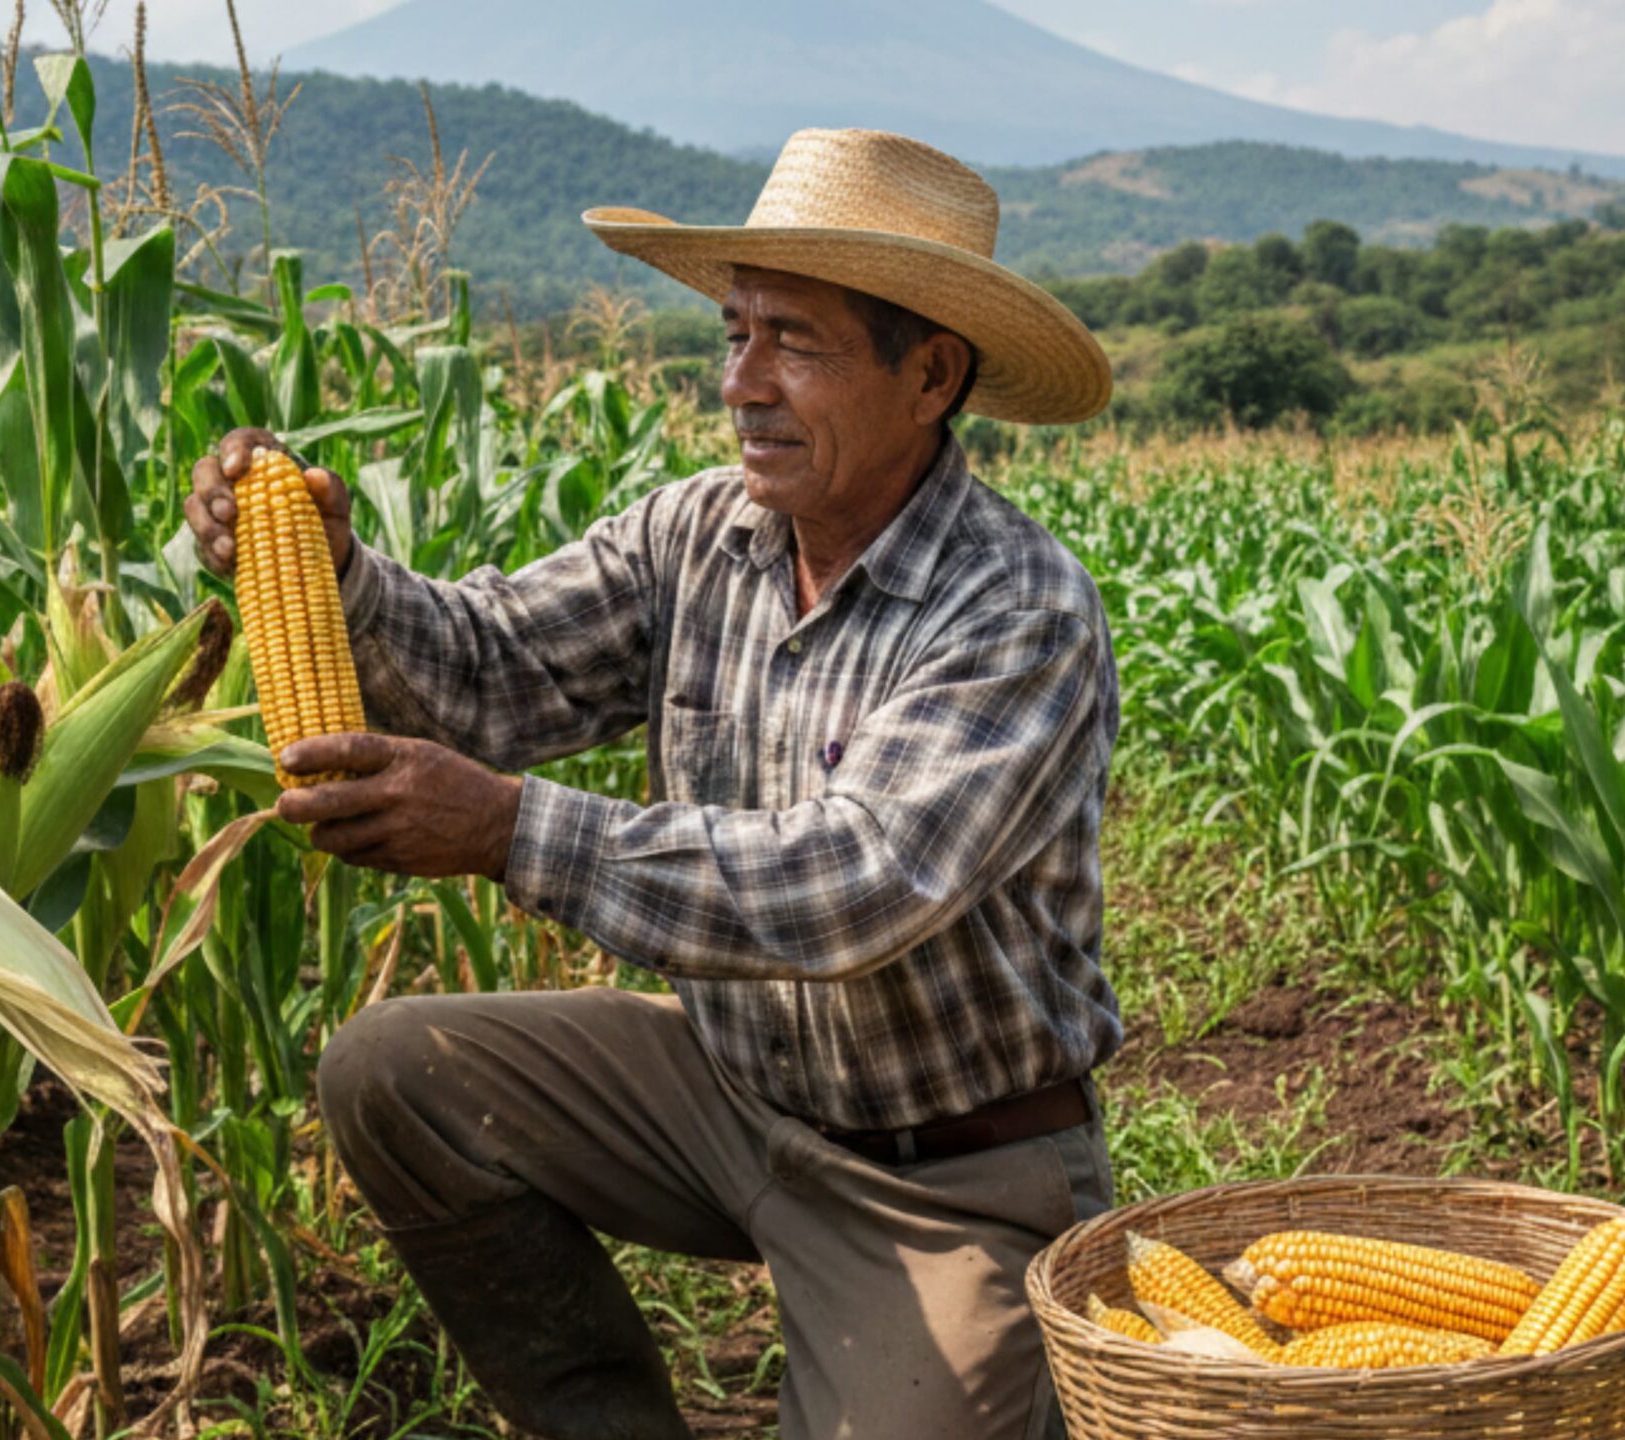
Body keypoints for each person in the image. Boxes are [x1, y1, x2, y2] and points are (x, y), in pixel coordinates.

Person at [184, 127, 1123, 1440]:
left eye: (793, 342)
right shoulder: (698, 536)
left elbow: (852, 888)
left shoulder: (1017, 610)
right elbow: (493, 669)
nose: (741, 384)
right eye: (733, 334)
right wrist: (334, 574)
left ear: (933, 375)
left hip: (949, 1172)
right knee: (398, 1074)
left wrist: (510, 830)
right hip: (733, 1098)